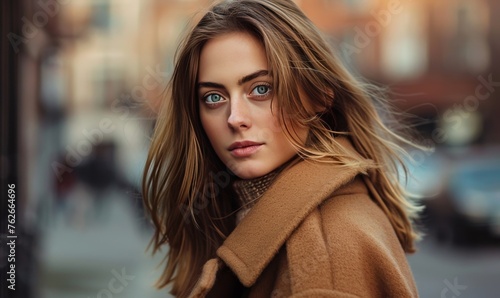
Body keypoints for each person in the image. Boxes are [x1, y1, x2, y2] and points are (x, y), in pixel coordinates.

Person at [142, 0, 422, 297]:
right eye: (213, 97)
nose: (235, 118)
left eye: (261, 89)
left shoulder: (323, 261)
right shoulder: (238, 215)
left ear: (319, 96)